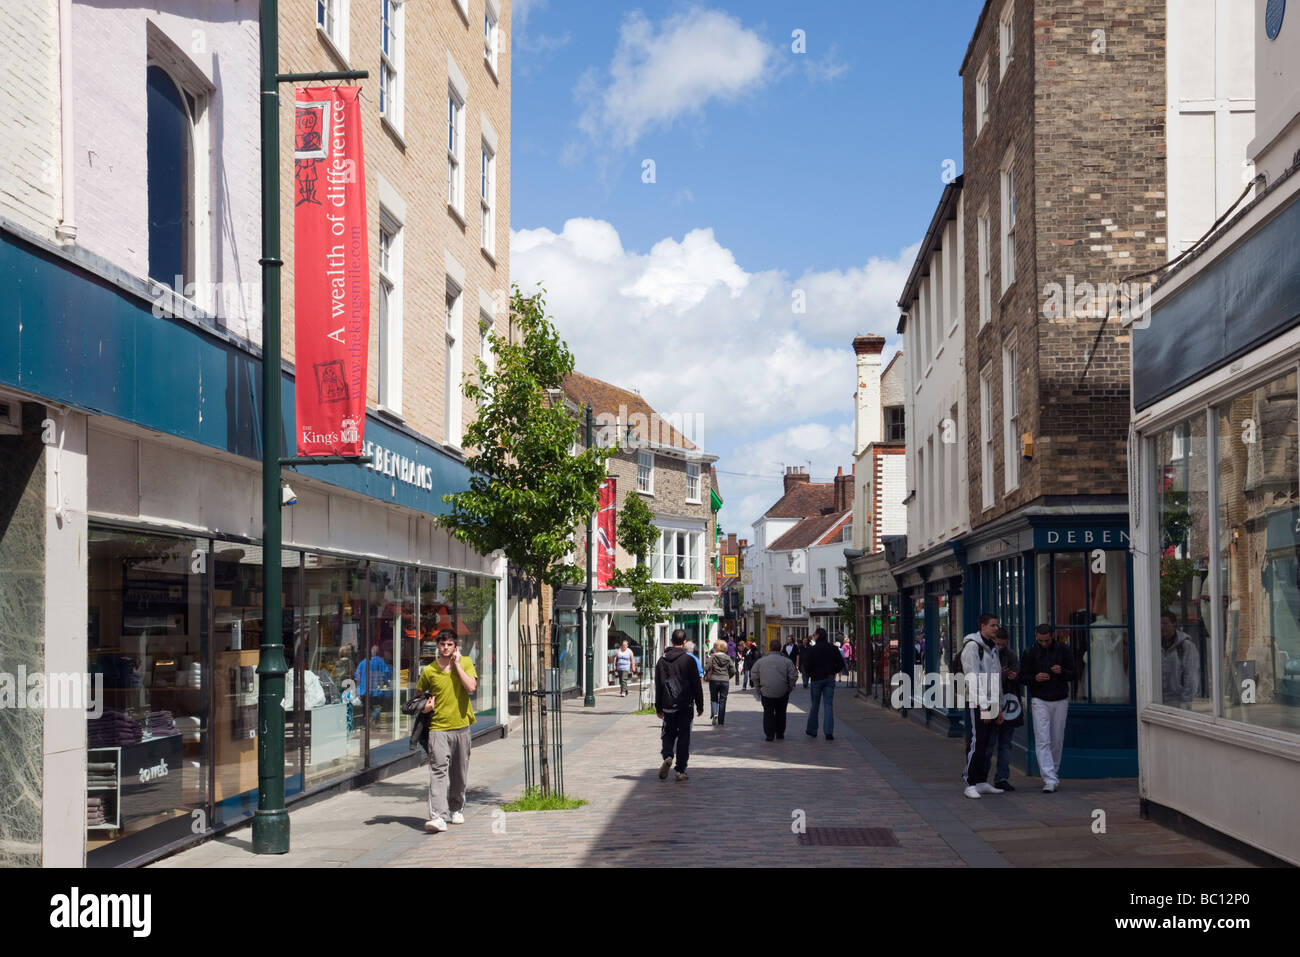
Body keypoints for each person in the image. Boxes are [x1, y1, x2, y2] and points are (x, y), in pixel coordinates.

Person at [419, 632, 478, 832]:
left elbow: (470, 687)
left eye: (449, 644)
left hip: (461, 726)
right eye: (442, 644)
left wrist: (458, 665)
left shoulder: (467, 662)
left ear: (455, 647)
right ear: (437, 645)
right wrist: (425, 707)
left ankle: (456, 808)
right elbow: (419, 697)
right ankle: (438, 817)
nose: (446, 647)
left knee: (459, 772)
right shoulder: (429, 671)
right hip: (438, 728)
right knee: (438, 770)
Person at [1019, 623, 1075, 793]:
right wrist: (1035, 678)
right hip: (1039, 698)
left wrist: (1062, 672)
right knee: (1043, 739)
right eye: (1041, 640)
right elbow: (1022, 676)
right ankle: (1049, 778)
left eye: (1047, 640)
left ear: (1052, 636)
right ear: (1036, 637)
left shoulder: (1063, 650)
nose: (1044, 643)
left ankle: (1053, 774)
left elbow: (1074, 673)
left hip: (1060, 698)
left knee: (1057, 739)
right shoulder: (1029, 652)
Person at [961, 613, 1004, 799]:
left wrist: (999, 706)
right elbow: (972, 678)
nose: (996, 628)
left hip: (992, 701)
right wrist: (984, 707)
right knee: (978, 742)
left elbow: (996, 678)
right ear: (982, 626)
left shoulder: (992, 647)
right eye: (993, 625)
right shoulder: (972, 647)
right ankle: (970, 782)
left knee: (988, 744)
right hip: (979, 702)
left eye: (997, 625)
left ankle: (981, 781)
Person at [655, 629, 704, 781]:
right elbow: (696, 684)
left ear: (671, 640)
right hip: (685, 704)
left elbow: (658, 685)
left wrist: (658, 707)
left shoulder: (662, 660)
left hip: (668, 704)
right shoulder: (689, 660)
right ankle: (680, 770)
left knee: (668, 733)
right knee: (684, 736)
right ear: (684, 642)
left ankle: (668, 755)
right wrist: (700, 704)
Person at [991, 626, 1023, 792]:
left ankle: (1002, 777)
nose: (1000, 647)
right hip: (990, 704)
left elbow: (1020, 676)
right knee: (988, 743)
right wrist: (999, 676)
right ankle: (979, 777)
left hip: (1008, 704)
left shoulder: (1011, 656)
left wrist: (1014, 676)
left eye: (1003, 644)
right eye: (998, 644)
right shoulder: (986, 654)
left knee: (1005, 744)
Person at [750, 638, 799, 741]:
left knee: (768, 713)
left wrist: (758, 687)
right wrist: (790, 687)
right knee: (781, 712)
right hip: (782, 691)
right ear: (780, 648)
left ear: (770, 647)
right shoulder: (787, 661)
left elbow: (754, 674)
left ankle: (769, 734)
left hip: (766, 691)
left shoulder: (761, 661)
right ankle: (780, 732)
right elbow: (793, 675)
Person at [804, 627, 844, 739]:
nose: (813, 637)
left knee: (815, 705)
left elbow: (806, 666)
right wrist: (833, 671)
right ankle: (828, 732)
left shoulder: (812, 649)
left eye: (814, 635)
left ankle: (812, 730)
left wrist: (811, 674)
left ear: (817, 636)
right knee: (828, 705)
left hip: (816, 679)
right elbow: (841, 664)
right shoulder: (833, 648)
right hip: (829, 678)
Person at [1160, 611, 1201, 708]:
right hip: (1159, 700)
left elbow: (1191, 674)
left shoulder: (1186, 646)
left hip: (1178, 700)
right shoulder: (1156, 644)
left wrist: (1186, 700)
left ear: (1174, 624)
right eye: (1160, 624)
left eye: (1165, 624)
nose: (1162, 627)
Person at [354, 643, 392, 724]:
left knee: (365, 708)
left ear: (371, 652)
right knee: (379, 705)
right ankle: (373, 718)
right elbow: (386, 675)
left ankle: (366, 722)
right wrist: (387, 684)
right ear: (379, 653)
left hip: (364, 691)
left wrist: (358, 688)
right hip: (376, 692)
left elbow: (357, 677)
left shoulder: (363, 662)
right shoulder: (382, 662)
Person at [705, 640, 736, 726]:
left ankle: (715, 713)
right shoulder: (728, 658)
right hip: (725, 680)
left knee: (714, 698)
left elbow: (706, 667)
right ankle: (721, 720)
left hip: (714, 680)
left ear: (716, 648)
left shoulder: (712, 657)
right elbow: (733, 670)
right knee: (723, 700)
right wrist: (728, 676)